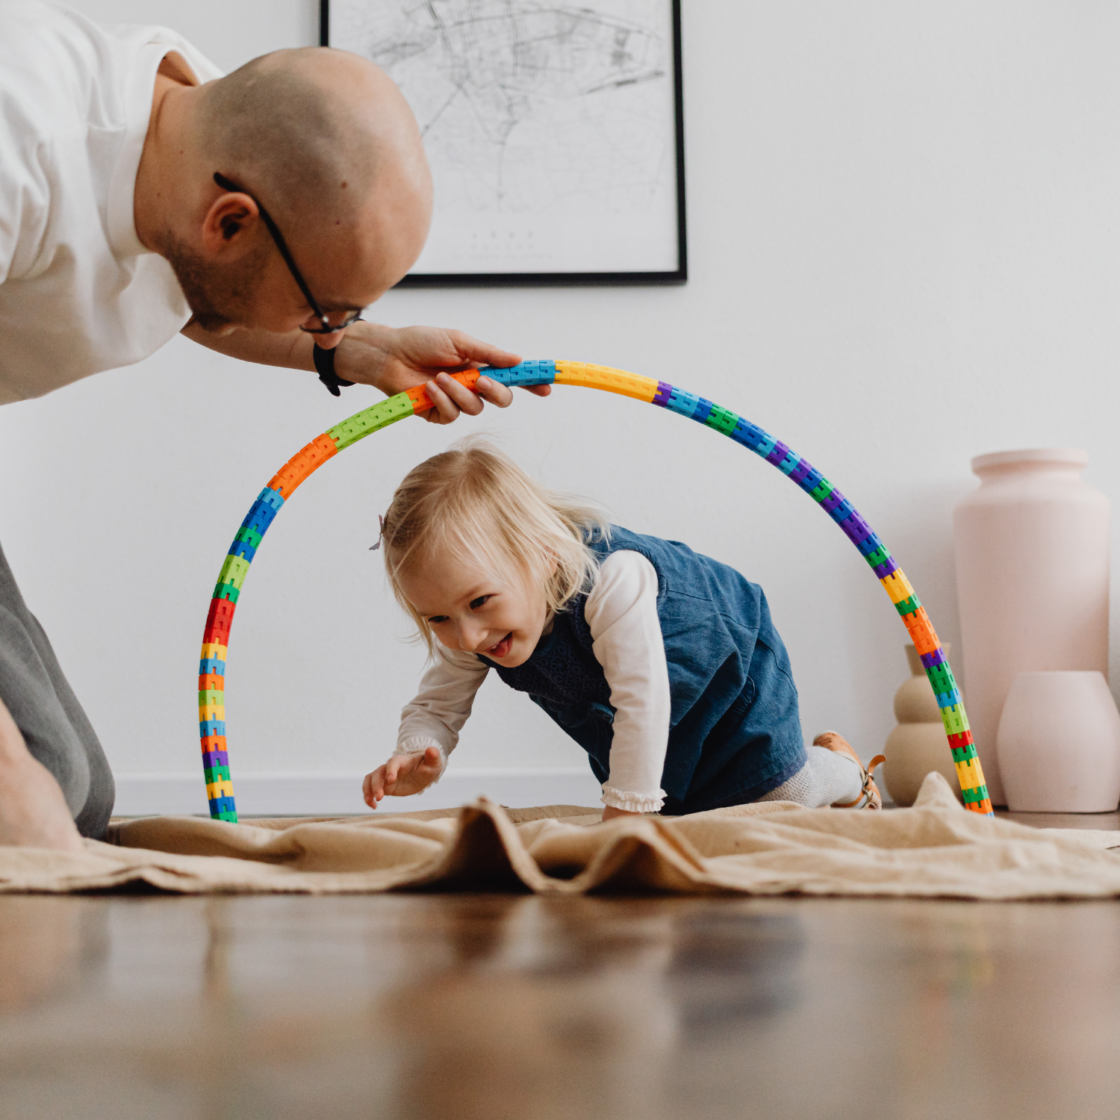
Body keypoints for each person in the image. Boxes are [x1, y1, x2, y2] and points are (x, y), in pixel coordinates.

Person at [0, 2, 544, 849]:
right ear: (231, 222)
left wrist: (361, 349)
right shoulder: (23, 148)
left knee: (78, 795)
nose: (326, 328)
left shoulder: (200, 139)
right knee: (31, 794)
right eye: (324, 310)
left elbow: (190, 287)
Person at [363, 443, 884, 819]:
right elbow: (438, 706)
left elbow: (642, 699)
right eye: (437, 619)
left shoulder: (614, 579)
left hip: (731, 670)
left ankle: (842, 771)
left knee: (780, 796)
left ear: (543, 557)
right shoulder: (472, 623)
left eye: (480, 602)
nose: (469, 636)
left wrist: (626, 813)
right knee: (687, 813)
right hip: (646, 713)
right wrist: (418, 750)